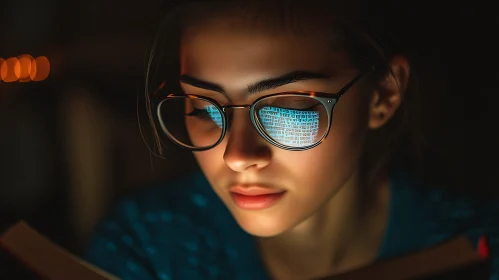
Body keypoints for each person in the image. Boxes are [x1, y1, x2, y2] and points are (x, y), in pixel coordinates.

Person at [84, 0, 499, 279]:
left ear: (384, 95)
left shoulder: (475, 247)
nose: (238, 156)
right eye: (206, 109)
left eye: (289, 110)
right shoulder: (144, 245)